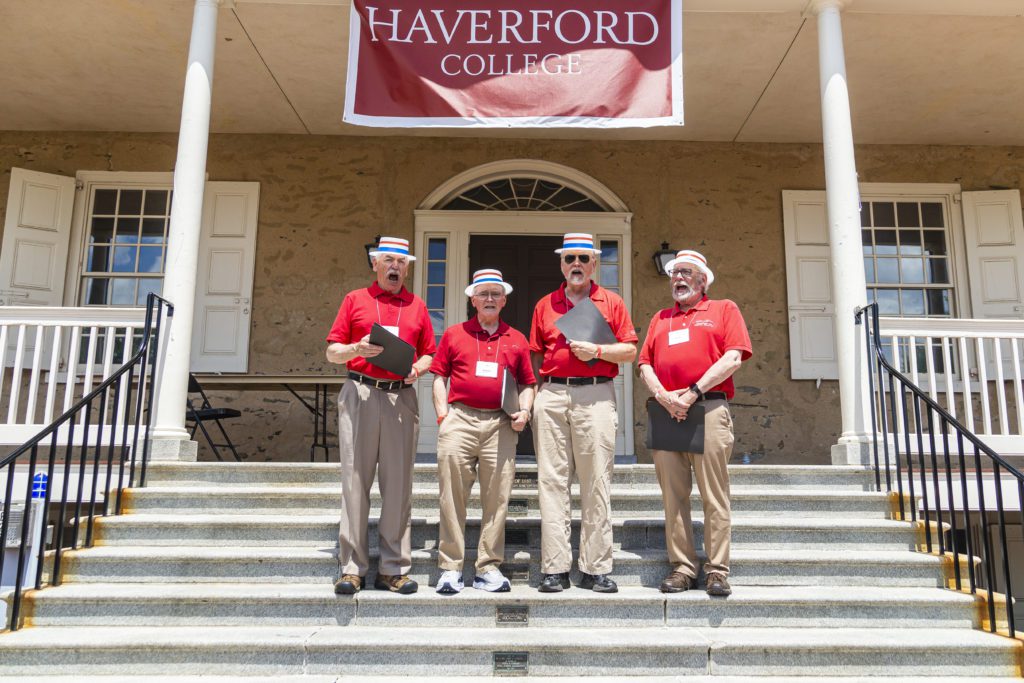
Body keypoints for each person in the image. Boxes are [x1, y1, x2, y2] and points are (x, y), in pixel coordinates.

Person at [637, 249, 751, 597]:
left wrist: (691, 393)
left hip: (707, 408)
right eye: (674, 273)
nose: (678, 278)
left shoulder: (723, 309)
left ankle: (717, 570)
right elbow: (644, 364)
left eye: (685, 273)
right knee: (673, 496)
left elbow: (733, 357)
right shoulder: (660, 319)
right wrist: (664, 397)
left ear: (703, 280)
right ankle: (683, 568)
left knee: (714, 496)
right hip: (668, 411)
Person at [325, 236, 435, 595]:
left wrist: (417, 370)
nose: (395, 267)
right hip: (359, 392)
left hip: (399, 399)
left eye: (402, 262)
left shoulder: (417, 306)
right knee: (355, 483)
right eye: (389, 260)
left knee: (398, 485)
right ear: (375, 263)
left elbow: (429, 354)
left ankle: (393, 569)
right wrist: (356, 348)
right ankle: (352, 568)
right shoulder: (355, 300)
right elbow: (332, 352)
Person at [529, 233, 638, 593]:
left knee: (596, 482)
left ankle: (595, 567)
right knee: (552, 481)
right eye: (570, 258)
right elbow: (535, 354)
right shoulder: (545, 304)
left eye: (583, 258)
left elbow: (629, 352)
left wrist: (598, 351)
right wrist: (537, 393)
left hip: (595, 393)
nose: (576, 264)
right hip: (554, 393)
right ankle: (555, 567)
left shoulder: (612, 302)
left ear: (594, 264)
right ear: (561, 264)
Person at [430, 269, 536, 594]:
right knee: (452, 496)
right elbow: (438, 377)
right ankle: (450, 568)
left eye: (495, 294)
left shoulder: (516, 339)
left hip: (500, 424)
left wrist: (525, 412)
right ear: (472, 299)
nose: (489, 299)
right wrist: (443, 416)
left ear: (504, 300)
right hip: (459, 419)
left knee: (498, 497)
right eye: (483, 293)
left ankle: (487, 568)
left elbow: (528, 383)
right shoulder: (454, 334)